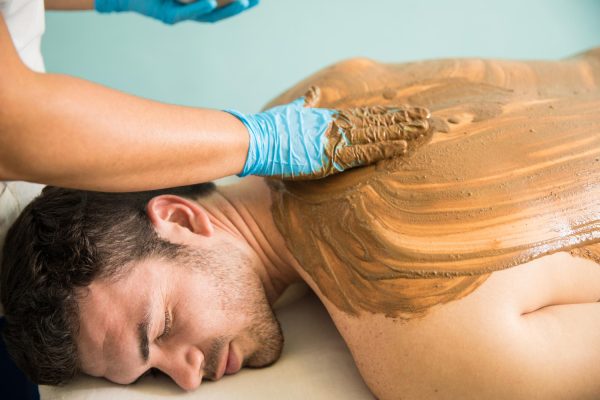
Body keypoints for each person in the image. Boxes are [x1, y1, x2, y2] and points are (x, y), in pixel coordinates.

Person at [2, 50, 600, 399]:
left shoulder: (423, 344)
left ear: (182, 217)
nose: (185, 379)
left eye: (160, 328)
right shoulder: (322, 94)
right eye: (148, 376)